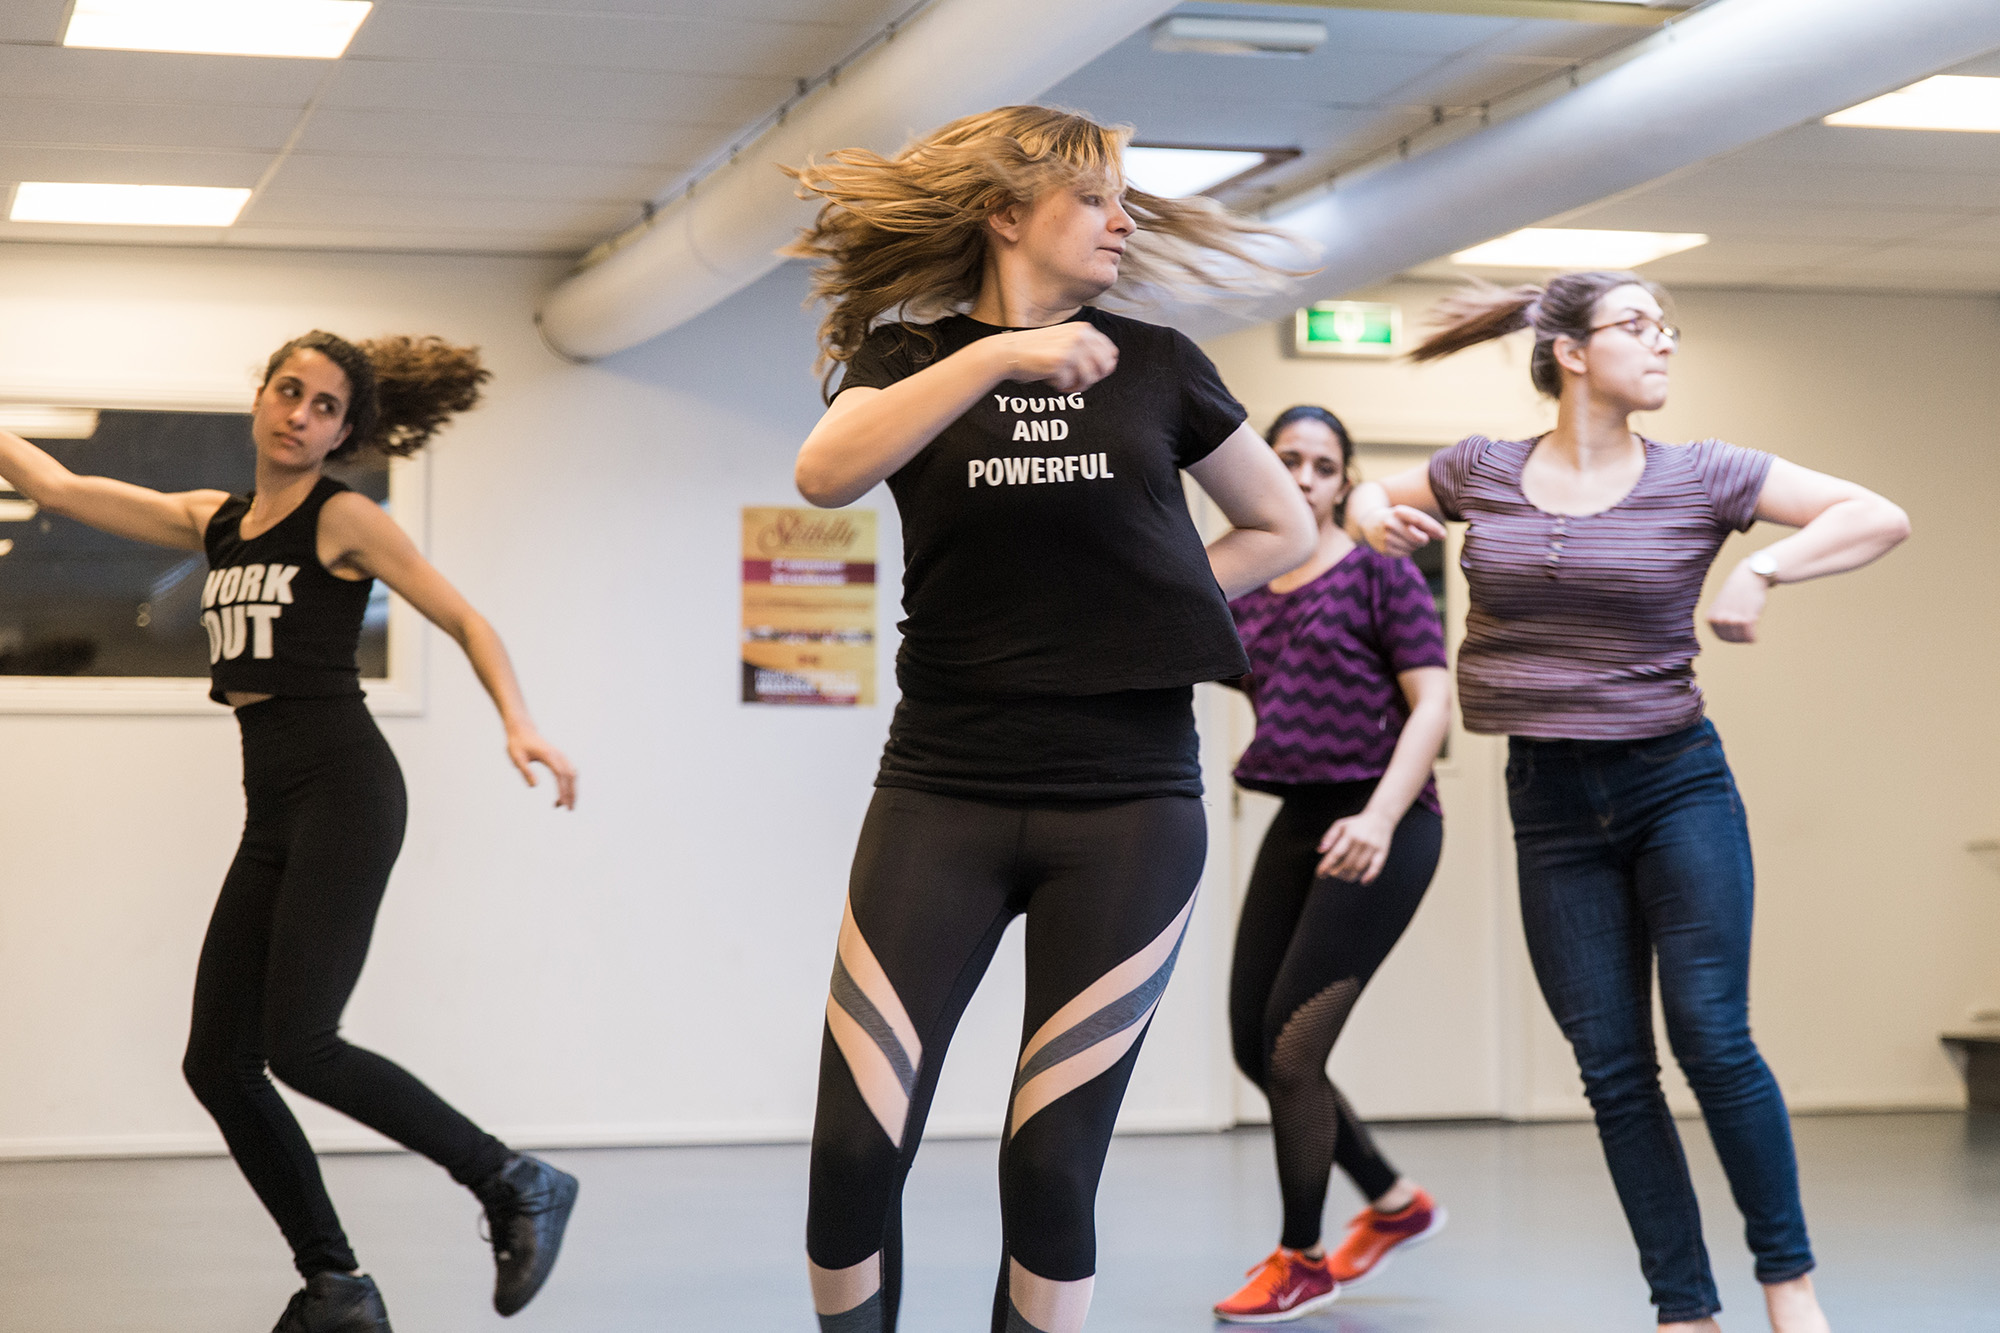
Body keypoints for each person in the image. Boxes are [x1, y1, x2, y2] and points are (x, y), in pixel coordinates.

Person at [784, 106, 1315, 1333]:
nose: (1122, 222)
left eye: (1124, 200)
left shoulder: (1158, 363)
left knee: (1049, 1166)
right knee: (853, 1150)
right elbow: (824, 473)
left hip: (1128, 807)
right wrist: (998, 359)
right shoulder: (909, 358)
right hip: (941, 795)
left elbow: (1279, 527)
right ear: (1004, 214)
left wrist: (1142, 609)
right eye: (1094, 200)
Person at [1348, 272, 1909, 1333]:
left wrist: (1764, 570)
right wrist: (1375, 515)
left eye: (1669, 328)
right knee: (1611, 1067)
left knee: (1712, 1039)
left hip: (1673, 783)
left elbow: (1879, 514)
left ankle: (1788, 1286)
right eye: (1638, 326)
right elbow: (1368, 494)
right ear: (1570, 351)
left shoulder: (1703, 474)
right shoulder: (1482, 468)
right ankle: (1683, 1310)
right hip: (1547, 799)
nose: (1663, 344)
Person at [0, 331, 582, 1333]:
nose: (300, 414)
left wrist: (518, 721)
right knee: (218, 1062)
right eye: (290, 391)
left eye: (324, 406)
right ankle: (336, 1284)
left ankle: (512, 1179)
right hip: (272, 804)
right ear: (260, 397)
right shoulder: (216, 521)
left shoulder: (343, 517)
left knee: (302, 1044)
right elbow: (55, 485)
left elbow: (466, 620)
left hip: (346, 790)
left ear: (342, 432)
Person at [1212, 405, 1451, 1323]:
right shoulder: (1242, 586)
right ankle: (1394, 1203)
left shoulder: (1379, 570)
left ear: (1345, 480)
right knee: (1254, 1042)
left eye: (1323, 465)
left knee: (1293, 1046)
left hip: (1387, 821)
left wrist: (1382, 816)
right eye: (1288, 461)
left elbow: (1433, 705)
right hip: (1302, 816)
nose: (1305, 478)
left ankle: (1302, 1258)